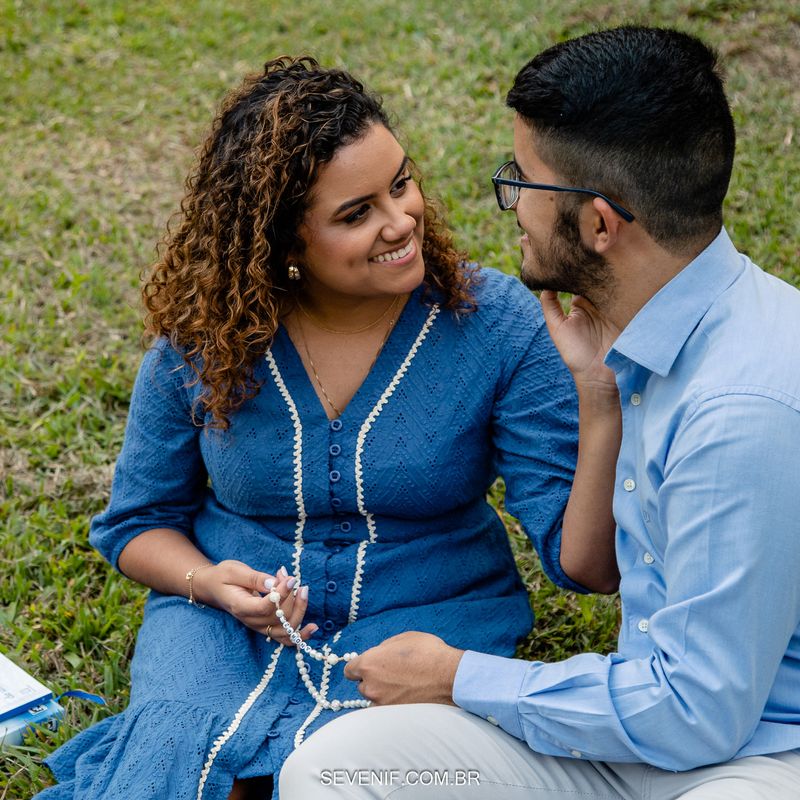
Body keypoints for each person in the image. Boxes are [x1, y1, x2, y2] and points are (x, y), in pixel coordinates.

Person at [37, 56, 620, 800]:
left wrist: (600, 399)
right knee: (187, 760)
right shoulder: (206, 336)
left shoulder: (496, 324)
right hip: (222, 627)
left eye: (400, 184)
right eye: (356, 214)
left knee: (340, 772)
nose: (400, 222)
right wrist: (208, 583)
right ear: (283, 243)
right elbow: (138, 522)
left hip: (427, 620)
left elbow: (584, 565)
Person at [279, 27, 800, 800]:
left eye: (523, 181)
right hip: (636, 741)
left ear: (599, 224)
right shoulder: (645, 343)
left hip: (759, 759)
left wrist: (457, 676)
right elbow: (610, 590)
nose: (513, 203)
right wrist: (599, 391)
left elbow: (699, 711)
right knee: (334, 771)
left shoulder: (741, 410)